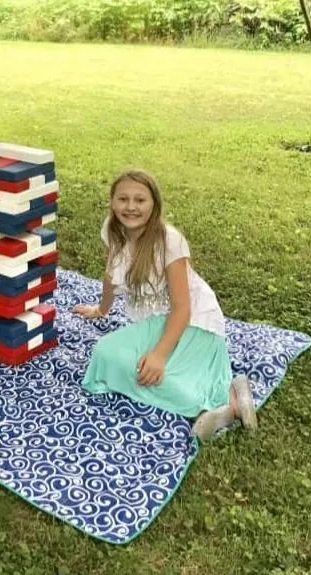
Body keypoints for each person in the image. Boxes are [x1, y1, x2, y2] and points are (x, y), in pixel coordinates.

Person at [73, 168, 257, 441]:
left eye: (140, 200)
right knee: (103, 356)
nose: (131, 207)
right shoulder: (112, 230)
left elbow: (183, 307)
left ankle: (227, 402)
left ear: (154, 204)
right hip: (153, 322)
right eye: (123, 199)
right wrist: (102, 309)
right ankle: (227, 400)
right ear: (112, 202)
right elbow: (111, 272)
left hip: (193, 320)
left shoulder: (169, 241)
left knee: (156, 372)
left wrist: (158, 355)